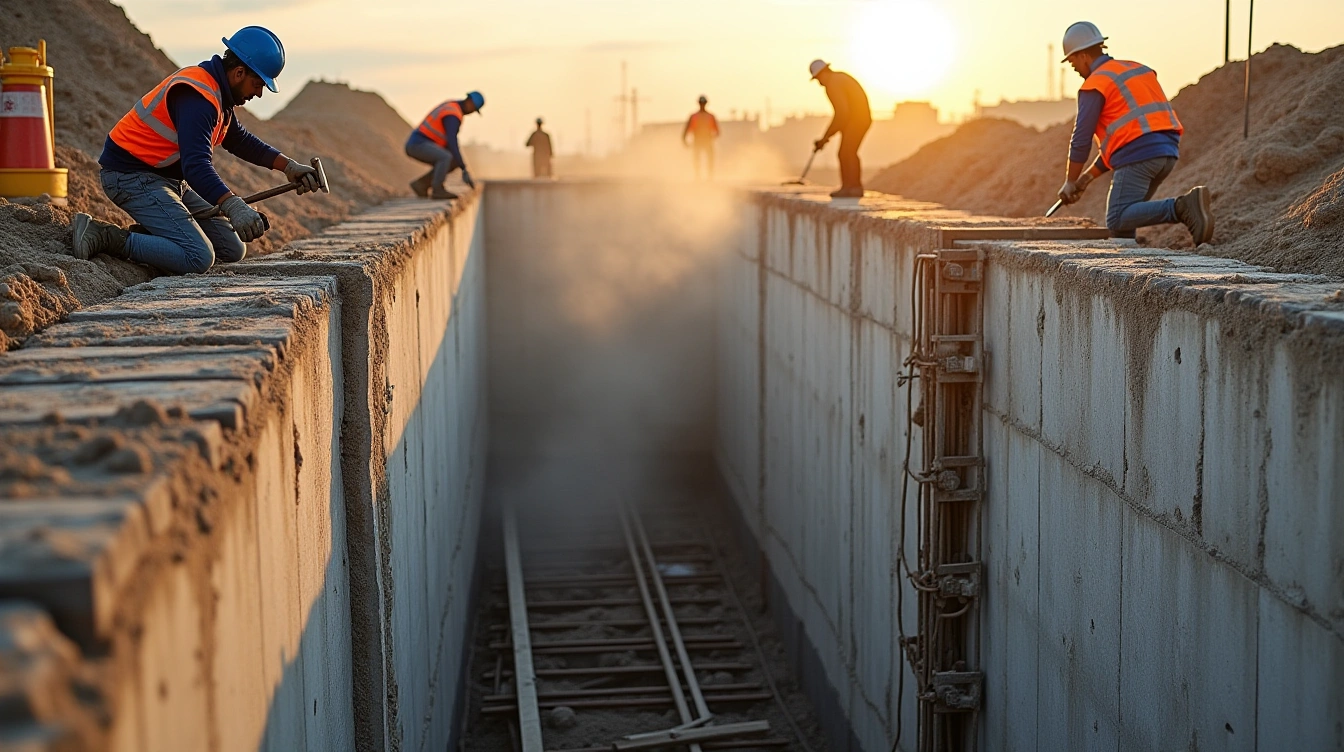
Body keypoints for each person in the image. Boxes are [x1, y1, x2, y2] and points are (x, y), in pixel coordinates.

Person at [71, 26, 321, 274]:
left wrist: (288, 167)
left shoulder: (219, 97)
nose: (259, 93)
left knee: (232, 249)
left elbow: (240, 141)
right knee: (198, 256)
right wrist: (232, 205)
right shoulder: (198, 98)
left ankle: (157, 236)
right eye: (258, 84)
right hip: (130, 177)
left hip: (164, 179)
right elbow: (196, 166)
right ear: (239, 72)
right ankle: (106, 236)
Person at [1055, 22, 1213, 244]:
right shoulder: (1134, 69)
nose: (1074, 69)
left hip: (1139, 156)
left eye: (1072, 62)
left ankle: (1181, 207)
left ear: (1083, 56)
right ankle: (1128, 261)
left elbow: (1081, 140)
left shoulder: (1095, 84)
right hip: (1166, 153)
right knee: (1126, 222)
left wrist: (1070, 181)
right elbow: (1124, 137)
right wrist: (1086, 178)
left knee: (1117, 218)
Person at [809, 60, 871, 198]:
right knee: (848, 152)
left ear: (823, 73)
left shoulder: (833, 84)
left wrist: (825, 137)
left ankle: (852, 187)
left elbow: (842, 114)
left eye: (818, 79)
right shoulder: (839, 78)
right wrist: (826, 137)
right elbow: (843, 116)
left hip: (857, 120)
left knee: (846, 152)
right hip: (858, 119)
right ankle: (852, 187)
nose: (819, 83)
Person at [408, 92, 483, 199]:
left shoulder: (453, 107)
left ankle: (421, 184)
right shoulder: (453, 114)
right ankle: (437, 190)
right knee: (445, 157)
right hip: (417, 145)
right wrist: (464, 168)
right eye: (473, 109)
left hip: (423, 144)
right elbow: (452, 142)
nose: (471, 113)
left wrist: (461, 165)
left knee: (453, 160)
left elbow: (450, 144)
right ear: (469, 102)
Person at [682, 95, 719, 179]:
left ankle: (709, 177)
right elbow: (686, 129)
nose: (702, 105)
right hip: (698, 141)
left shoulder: (710, 116)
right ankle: (697, 176)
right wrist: (684, 140)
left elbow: (717, 131)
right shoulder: (694, 116)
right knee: (697, 159)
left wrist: (712, 137)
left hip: (707, 140)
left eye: (703, 103)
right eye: (701, 103)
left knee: (709, 159)